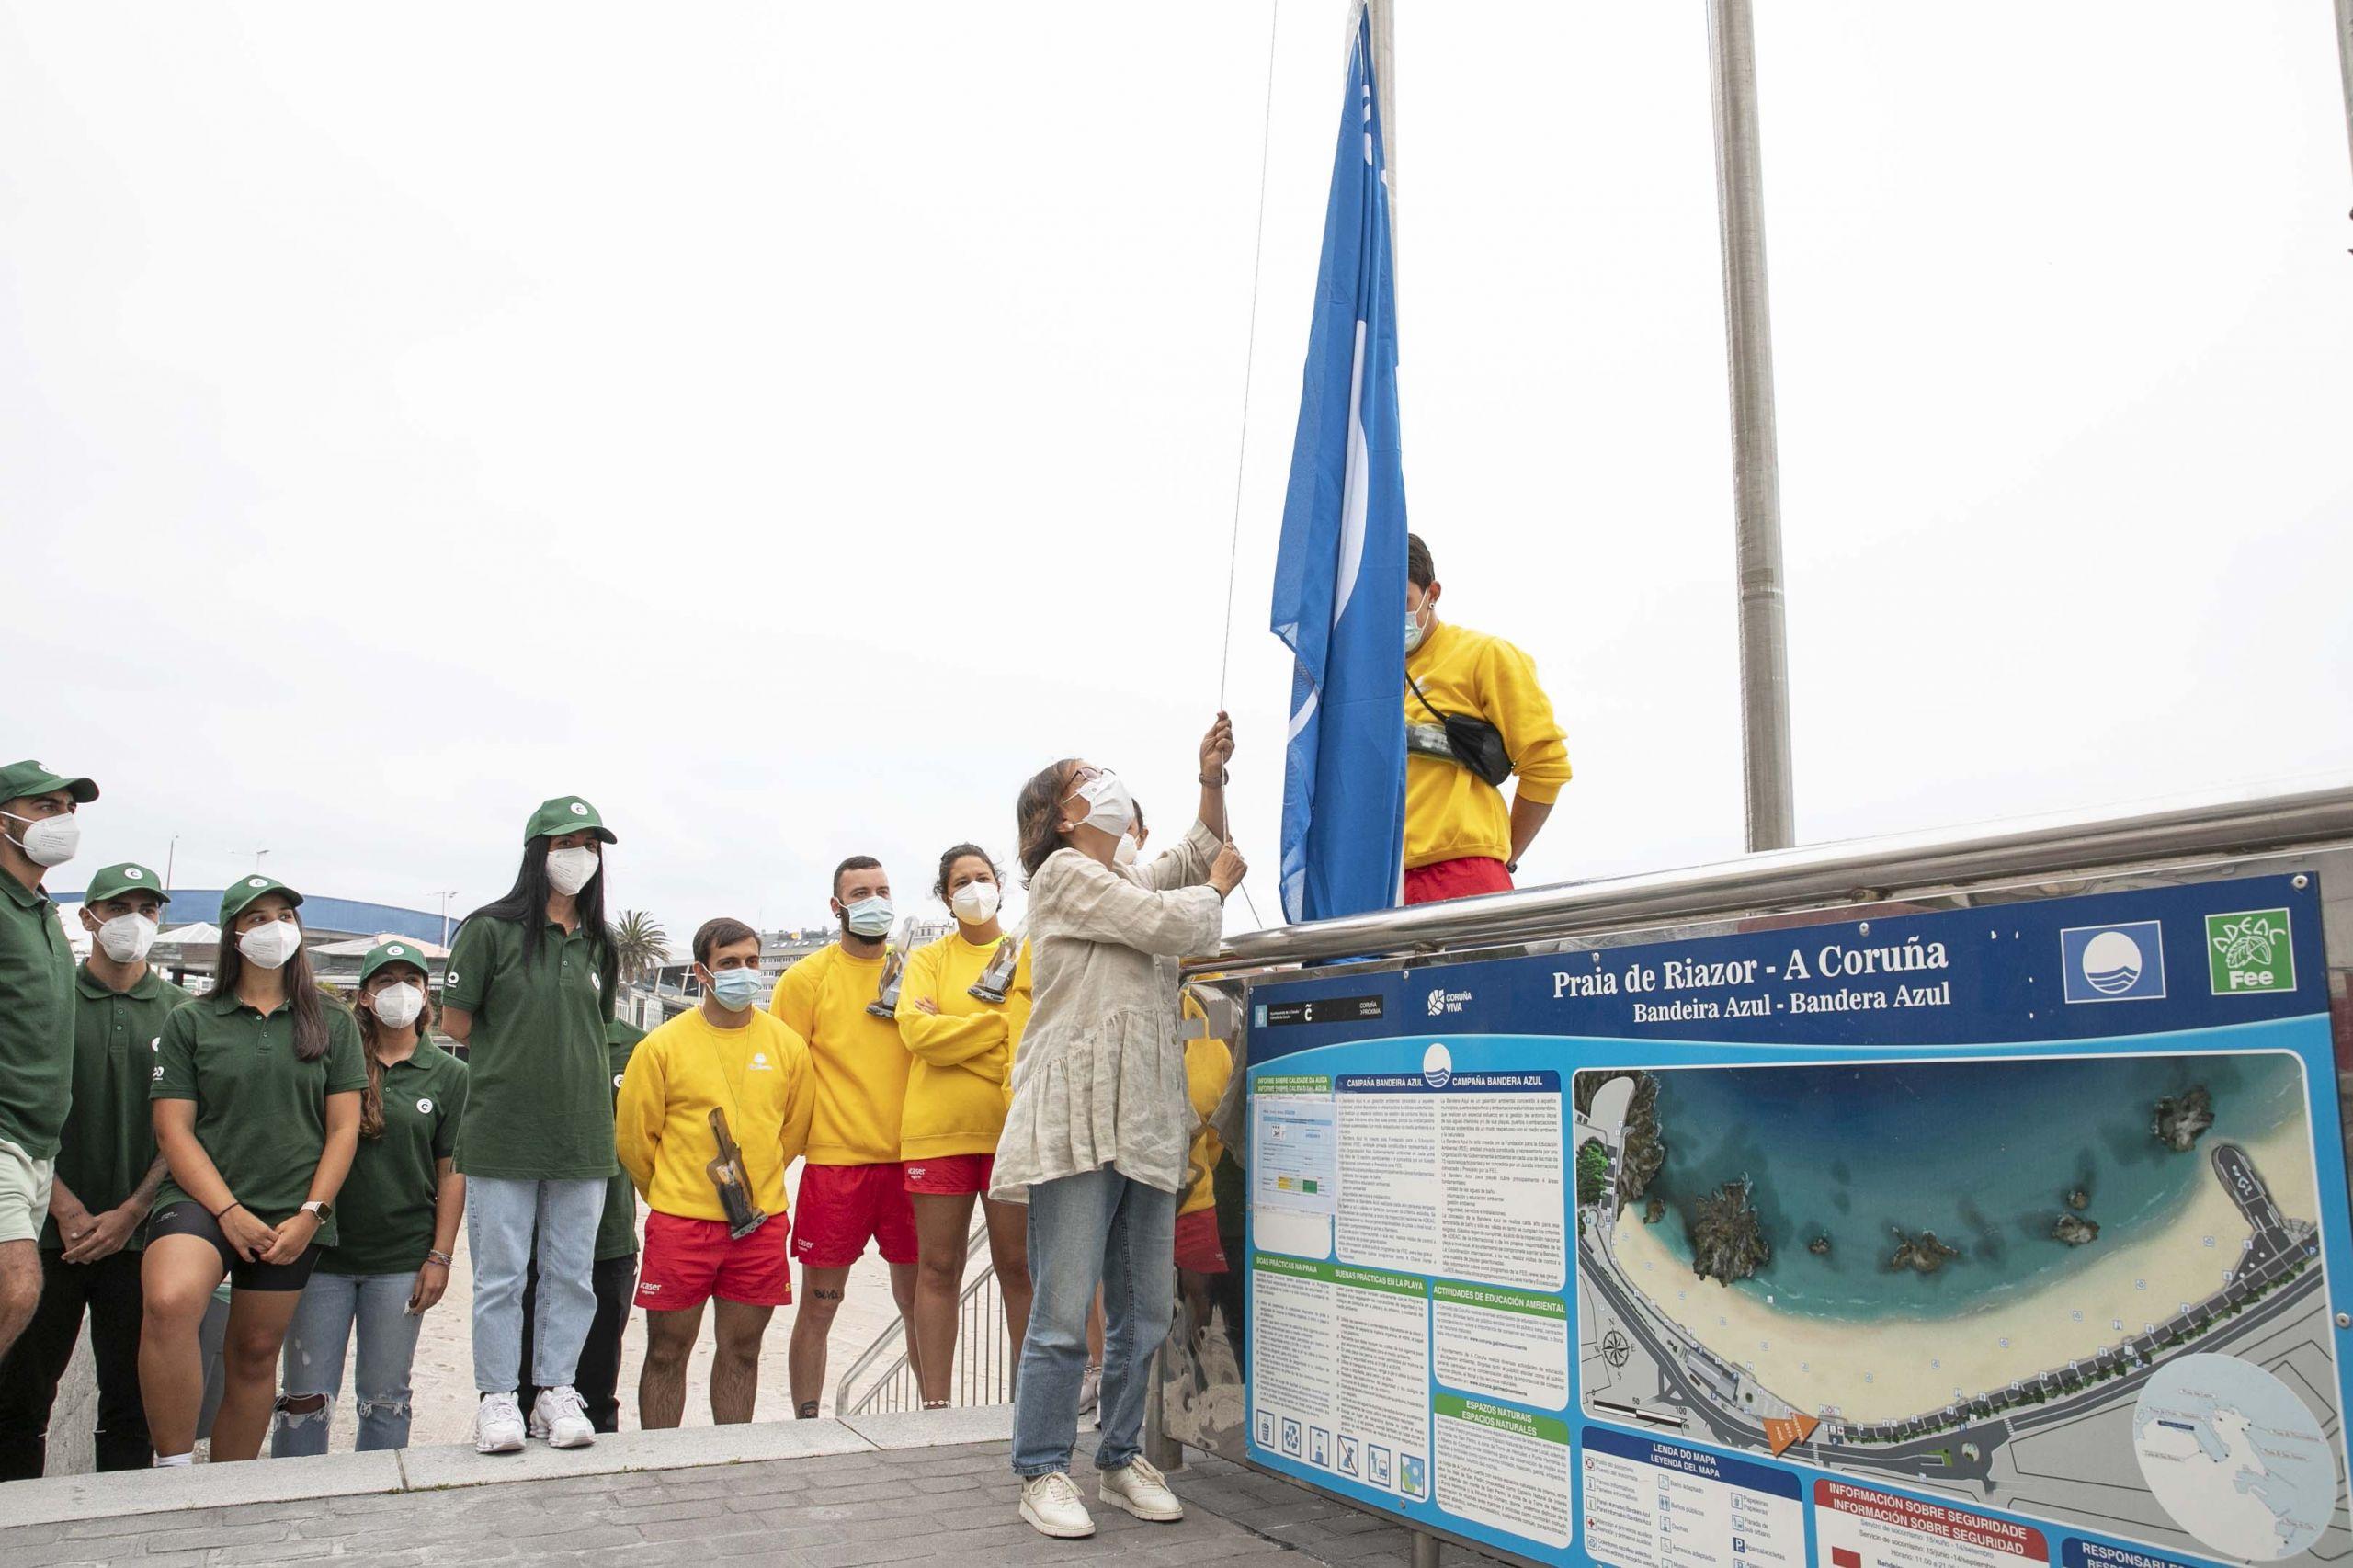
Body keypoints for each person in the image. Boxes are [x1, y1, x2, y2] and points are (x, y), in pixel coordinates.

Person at [994, 715, 1246, 1540]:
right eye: (1085, 778)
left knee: (1144, 1311)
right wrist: (1212, 892)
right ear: (1062, 816)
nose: (1105, 781)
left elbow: (1201, 846)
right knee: (1065, 1308)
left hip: (1141, 1116)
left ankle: (1119, 1457)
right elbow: (1173, 917)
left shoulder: (1129, 872)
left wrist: (1209, 775)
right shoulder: (1063, 876)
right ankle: (1041, 1469)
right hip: (1075, 1118)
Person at [141, 875, 364, 1464]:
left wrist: (311, 1214)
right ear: (233, 933)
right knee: (169, 1300)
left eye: (284, 916)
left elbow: (344, 1130)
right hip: (200, 1201)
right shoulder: (192, 1021)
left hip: (293, 1212)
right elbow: (174, 1131)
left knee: (256, 1352)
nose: (273, 928)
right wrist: (228, 1212)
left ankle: (228, 1489)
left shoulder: (333, 1024)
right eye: (257, 917)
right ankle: (172, 1471)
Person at [440, 795, 620, 1454]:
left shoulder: (601, 942)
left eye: (590, 844)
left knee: (572, 1273)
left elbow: (594, 1030)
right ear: (536, 851)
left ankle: (554, 1393)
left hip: (582, 1134)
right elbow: (455, 1022)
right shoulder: (489, 930)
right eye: (565, 842)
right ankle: (497, 1398)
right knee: (502, 1273)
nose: (580, 856)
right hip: (503, 1131)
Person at [0, 860, 183, 1478]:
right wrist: (65, 1206)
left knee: (131, 1407)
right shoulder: (50, 1000)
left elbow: (190, 1129)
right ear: (88, 918)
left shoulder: (184, 1014)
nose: (135, 921)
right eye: (119, 907)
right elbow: (21, 1108)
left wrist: (133, 1209)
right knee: (20, 1402)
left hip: (142, 1240)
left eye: (149, 909)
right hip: (50, 1235)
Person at [617, 918, 814, 1428]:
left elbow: (791, 1133)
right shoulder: (660, 1047)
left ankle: (734, 1461)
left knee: (743, 1351)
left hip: (760, 1224)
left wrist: (758, 1186)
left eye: (752, 961)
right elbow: (635, 1141)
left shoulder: (788, 1046)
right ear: (703, 973)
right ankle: (660, 1464)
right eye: (729, 963)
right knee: (666, 1351)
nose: (744, 973)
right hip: (682, 1225)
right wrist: (673, 1192)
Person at [271, 941, 466, 1456]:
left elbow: (452, 1173)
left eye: (411, 980)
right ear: (363, 996)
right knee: (304, 1397)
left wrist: (440, 1257)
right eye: (385, 981)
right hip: (322, 1257)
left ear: (427, 995)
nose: (398, 992)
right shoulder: (329, 1061)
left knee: (386, 1398)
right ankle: (293, 1503)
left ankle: (377, 1501)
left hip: (401, 1260)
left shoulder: (450, 1076)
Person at [770, 858, 919, 1419]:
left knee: (920, 1304)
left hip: (913, 1163)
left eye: (883, 889)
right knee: (819, 1305)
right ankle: (808, 1422)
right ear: (837, 906)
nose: (875, 900)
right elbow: (781, 1079)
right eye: (861, 892)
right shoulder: (805, 979)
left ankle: (934, 1414)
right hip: (836, 1167)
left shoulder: (915, 971)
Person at [895, 845, 1033, 1411]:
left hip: (1011, 1132)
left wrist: (954, 1035)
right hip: (936, 1134)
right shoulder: (927, 960)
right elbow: (914, 1032)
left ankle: (1030, 1401)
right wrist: (995, 1032)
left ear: (1000, 885)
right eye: (962, 881)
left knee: (1018, 1267)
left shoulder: (1027, 953)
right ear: (946, 897)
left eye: (983, 877)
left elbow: (1029, 1037)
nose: (975, 888)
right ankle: (935, 1405)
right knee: (939, 1266)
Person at [1401, 531, 1571, 903]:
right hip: (1381, 883)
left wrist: (1502, 855)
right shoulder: (1362, 683)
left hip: (1464, 873)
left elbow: (1547, 766)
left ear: (1433, 593)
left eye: (1404, 600)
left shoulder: (1484, 655)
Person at [0, 760, 97, 1370]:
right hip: (3, 1135)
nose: (60, 821)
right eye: (44, 807)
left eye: (67, 809)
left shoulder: (41, 911)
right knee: (17, 1287)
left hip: (38, 1148)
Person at [523, 1013, 643, 1434]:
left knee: (595, 1390)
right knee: (520, 1392)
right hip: (531, 1243)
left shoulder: (638, 1047)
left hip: (607, 1242)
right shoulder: (526, 1034)